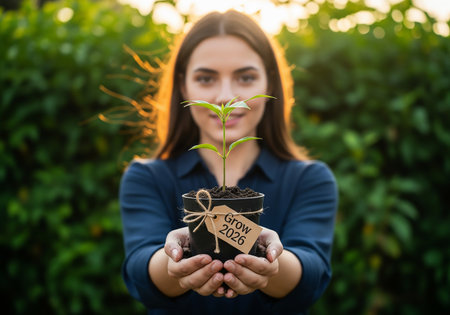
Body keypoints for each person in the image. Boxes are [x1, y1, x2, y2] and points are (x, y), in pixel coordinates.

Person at [120, 10, 338, 315]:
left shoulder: (310, 179)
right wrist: (175, 259)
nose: (226, 96)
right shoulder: (147, 176)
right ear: (183, 87)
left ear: (270, 84)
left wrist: (265, 257)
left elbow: (311, 272)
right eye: (206, 78)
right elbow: (140, 269)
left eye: (246, 77)